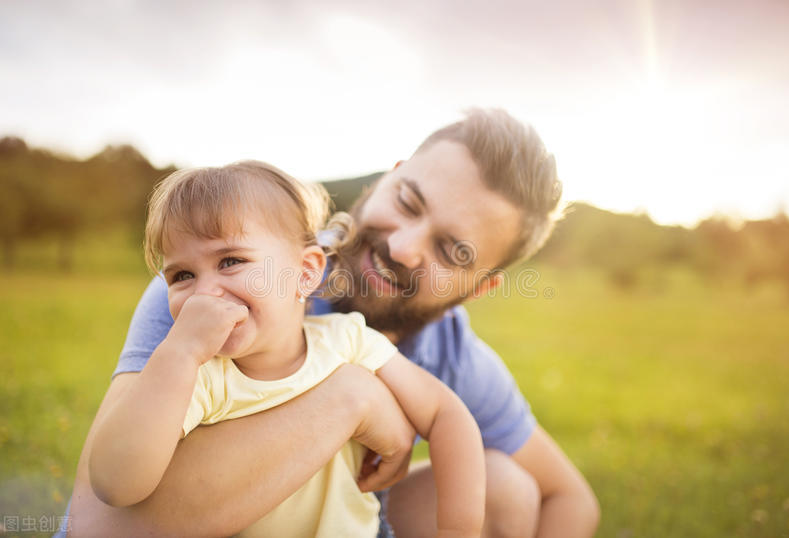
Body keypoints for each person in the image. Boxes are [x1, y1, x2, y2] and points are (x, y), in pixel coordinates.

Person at [66, 108, 600, 537]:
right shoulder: (218, 289)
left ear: (478, 288)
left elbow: (571, 499)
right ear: (388, 178)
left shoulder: (451, 353)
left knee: (508, 490)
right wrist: (353, 400)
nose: (402, 247)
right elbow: (95, 526)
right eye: (408, 202)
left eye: (451, 251)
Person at [86, 161, 486, 538]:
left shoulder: (347, 340)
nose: (203, 294)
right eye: (182, 275)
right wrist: (178, 354)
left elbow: (445, 414)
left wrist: (457, 530)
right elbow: (116, 483)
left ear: (306, 272)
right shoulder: (198, 379)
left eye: (230, 261)